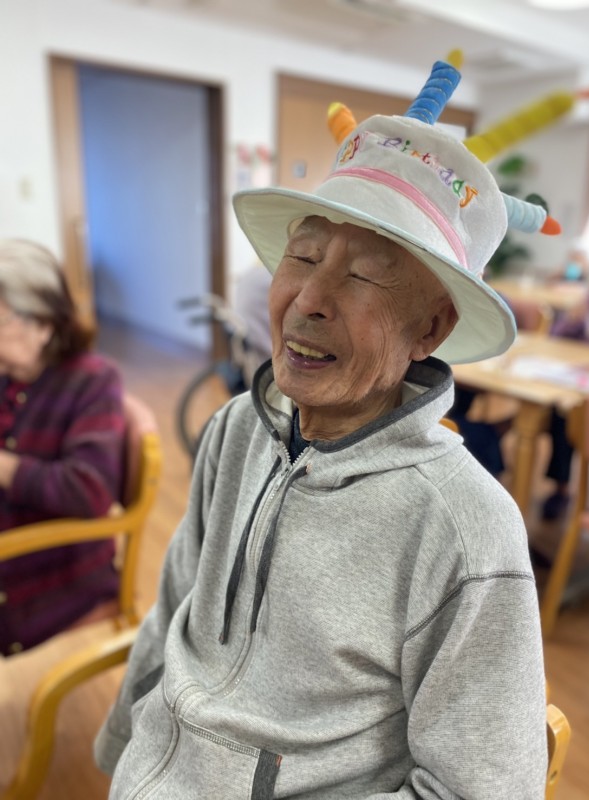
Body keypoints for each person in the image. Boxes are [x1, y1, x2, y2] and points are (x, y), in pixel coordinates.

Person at [95, 80, 548, 797]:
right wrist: (120, 755)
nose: (307, 301)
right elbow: (174, 607)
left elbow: (478, 788)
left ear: (429, 329)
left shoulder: (464, 529)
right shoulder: (234, 429)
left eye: (363, 276)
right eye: (302, 259)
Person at [0, 239, 127, 656]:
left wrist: (6, 468)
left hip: (50, 581)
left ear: (43, 324)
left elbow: (89, 490)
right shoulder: (9, 376)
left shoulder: (93, 382)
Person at [541, 258, 589, 519]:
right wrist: (571, 321)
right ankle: (561, 487)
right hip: (579, 383)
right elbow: (555, 339)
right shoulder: (587, 303)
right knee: (561, 416)